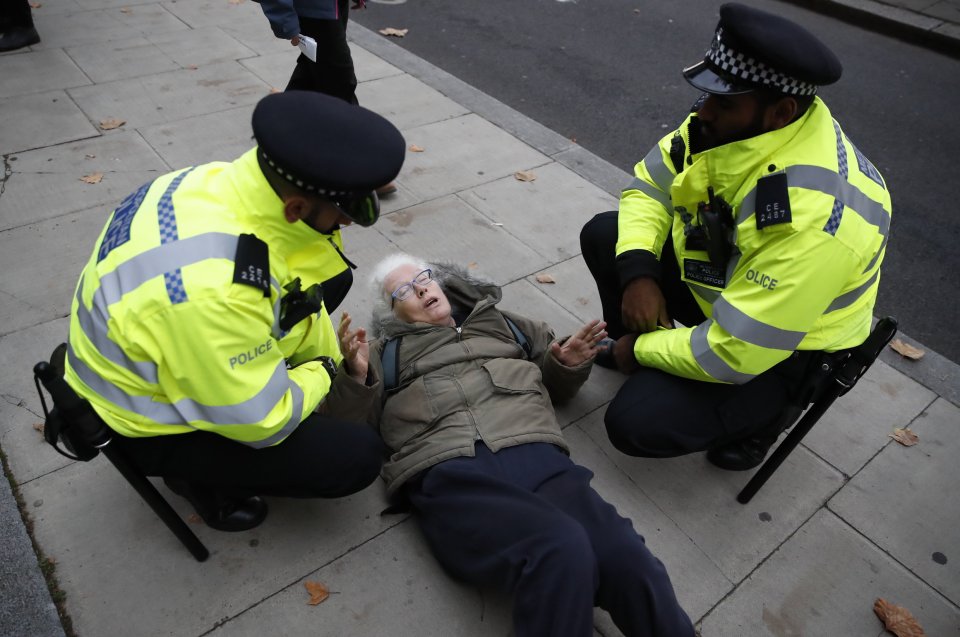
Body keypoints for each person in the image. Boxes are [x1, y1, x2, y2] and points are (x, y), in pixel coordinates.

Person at [63, 91, 406, 532]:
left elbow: (279, 283)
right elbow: (262, 421)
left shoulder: (211, 179)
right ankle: (200, 478)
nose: (346, 225)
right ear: (296, 207)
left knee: (332, 275)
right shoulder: (215, 294)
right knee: (357, 457)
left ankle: (241, 375)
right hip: (148, 418)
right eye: (343, 214)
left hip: (173, 340)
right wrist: (324, 368)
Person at [580, 3, 892, 471]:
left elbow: (737, 350)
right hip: (731, 286)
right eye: (707, 94)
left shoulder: (816, 218)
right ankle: (653, 348)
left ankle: (767, 420)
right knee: (608, 234)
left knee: (636, 422)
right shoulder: (726, 126)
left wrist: (636, 348)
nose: (702, 110)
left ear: (780, 112)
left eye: (723, 101)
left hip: (788, 347)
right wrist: (639, 273)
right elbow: (648, 188)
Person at [345, 254, 694, 637]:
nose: (422, 288)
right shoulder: (381, 353)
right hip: (454, 469)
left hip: (538, 454)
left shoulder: (506, 324)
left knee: (623, 553)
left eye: (424, 278)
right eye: (404, 291)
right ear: (392, 313)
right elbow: (354, 429)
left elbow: (554, 387)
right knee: (559, 547)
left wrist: (566, 364)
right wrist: (356, 379)